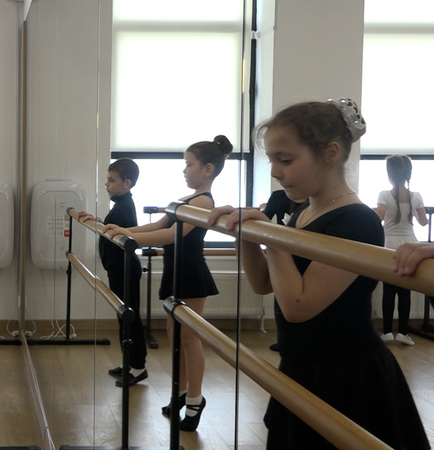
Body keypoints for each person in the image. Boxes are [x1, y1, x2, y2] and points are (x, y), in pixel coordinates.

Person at [209, 99, 429, 449]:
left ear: (330, 153)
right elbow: (264, 283)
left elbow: (298, 305)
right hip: (302, 366)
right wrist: (247, 234)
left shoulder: (356, 221)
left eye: (285, 160)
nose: (275, 172)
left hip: (345, 376)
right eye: (272, 161)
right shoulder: (305, 212)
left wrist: (273, 238)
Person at [105, 136, 232, 431]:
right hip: (176, 272)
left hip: (191, 274)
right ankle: (181, 393)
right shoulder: (187, 199)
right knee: (176, 338)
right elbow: (159, 225)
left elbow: (171, 235)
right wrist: (123, 230)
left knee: (189, 338)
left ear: (208, 169)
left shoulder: (203, 201)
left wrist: (129, 239)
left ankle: (195, 399)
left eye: (189, 165)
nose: (184, 170)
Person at [77, 158, 147, 387]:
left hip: (125, 269)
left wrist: (100, 224)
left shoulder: (125, 206)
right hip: (118, 268)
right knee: (123, 316)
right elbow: (112, 229)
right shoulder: (120, 205)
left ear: (127, 183)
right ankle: (129, 361)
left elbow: (120, 233)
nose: (106, 184)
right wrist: (96, 221)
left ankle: (138, 367)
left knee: (130, 317)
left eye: (111, 180)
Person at [375, 154, 427, 346]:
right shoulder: (417, 196)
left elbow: (379, 216)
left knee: (388, 290)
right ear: (408, 174)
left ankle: (387, 331)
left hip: (389, 245)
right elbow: (423, 222)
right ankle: (404, 332)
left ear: (390, 174)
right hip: (410, 245)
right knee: (405, 291)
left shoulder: (384, 195)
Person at [260, 189, 307, 352]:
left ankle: (298, 340)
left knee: (300, 299)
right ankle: (283, 339)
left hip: (305, 254)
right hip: (284, 251)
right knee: (280, 296)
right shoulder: (279, 196)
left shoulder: (313, 200)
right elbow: (265, 218)